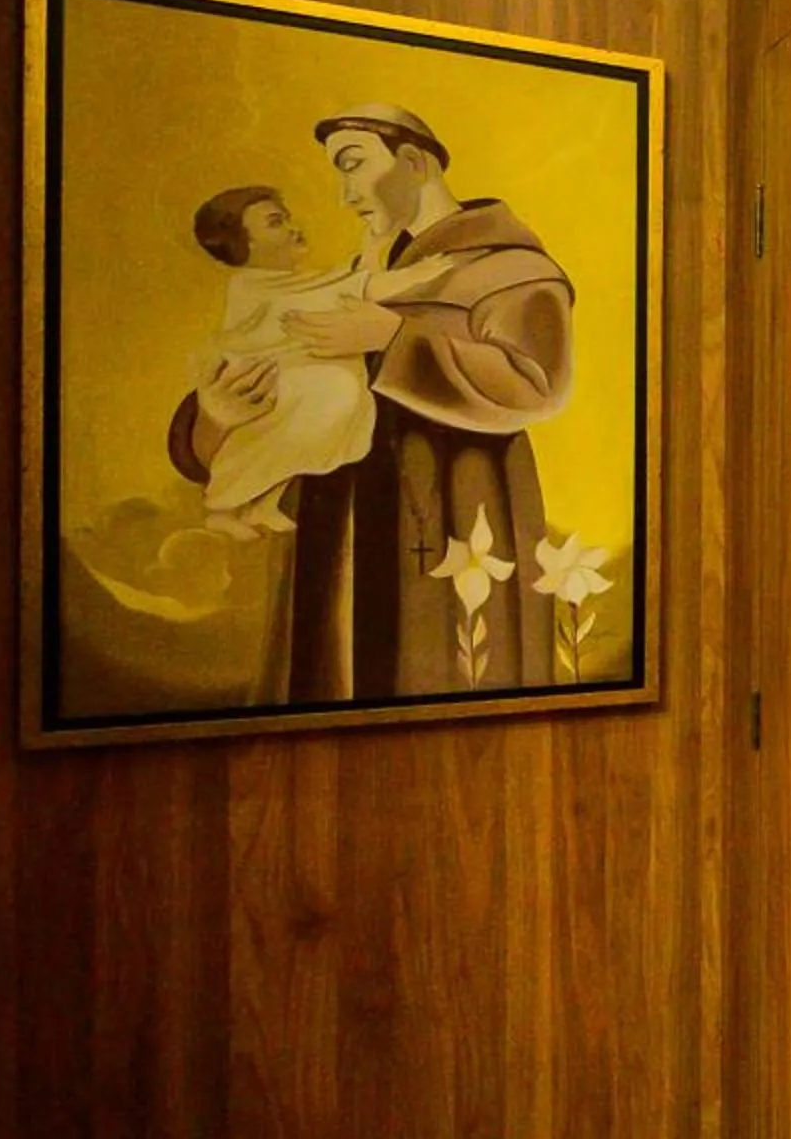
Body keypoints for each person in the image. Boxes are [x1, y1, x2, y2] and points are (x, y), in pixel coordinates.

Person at [168, 105, 579, 701]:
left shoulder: (511, 269)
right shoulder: (362, 269)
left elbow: (538, 385)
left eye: (352, 165)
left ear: (413, 162)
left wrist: (394, 341)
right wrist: (216, 417)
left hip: (454, 506)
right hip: (334, 525)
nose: (344, 194)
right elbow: (275, 379)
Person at [185, 185, 456, 538]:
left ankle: (261, 505)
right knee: (310, 412)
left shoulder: (290, 284)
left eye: (287, 218)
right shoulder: (253, 287)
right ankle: (224, 505)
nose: (293, 228)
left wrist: (371, 252)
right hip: (274, 391)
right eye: (276, 222)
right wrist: (419, 274)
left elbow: (343, 286)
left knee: (322, 421)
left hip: (299, 386)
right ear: (245, 244)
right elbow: (355, 291)